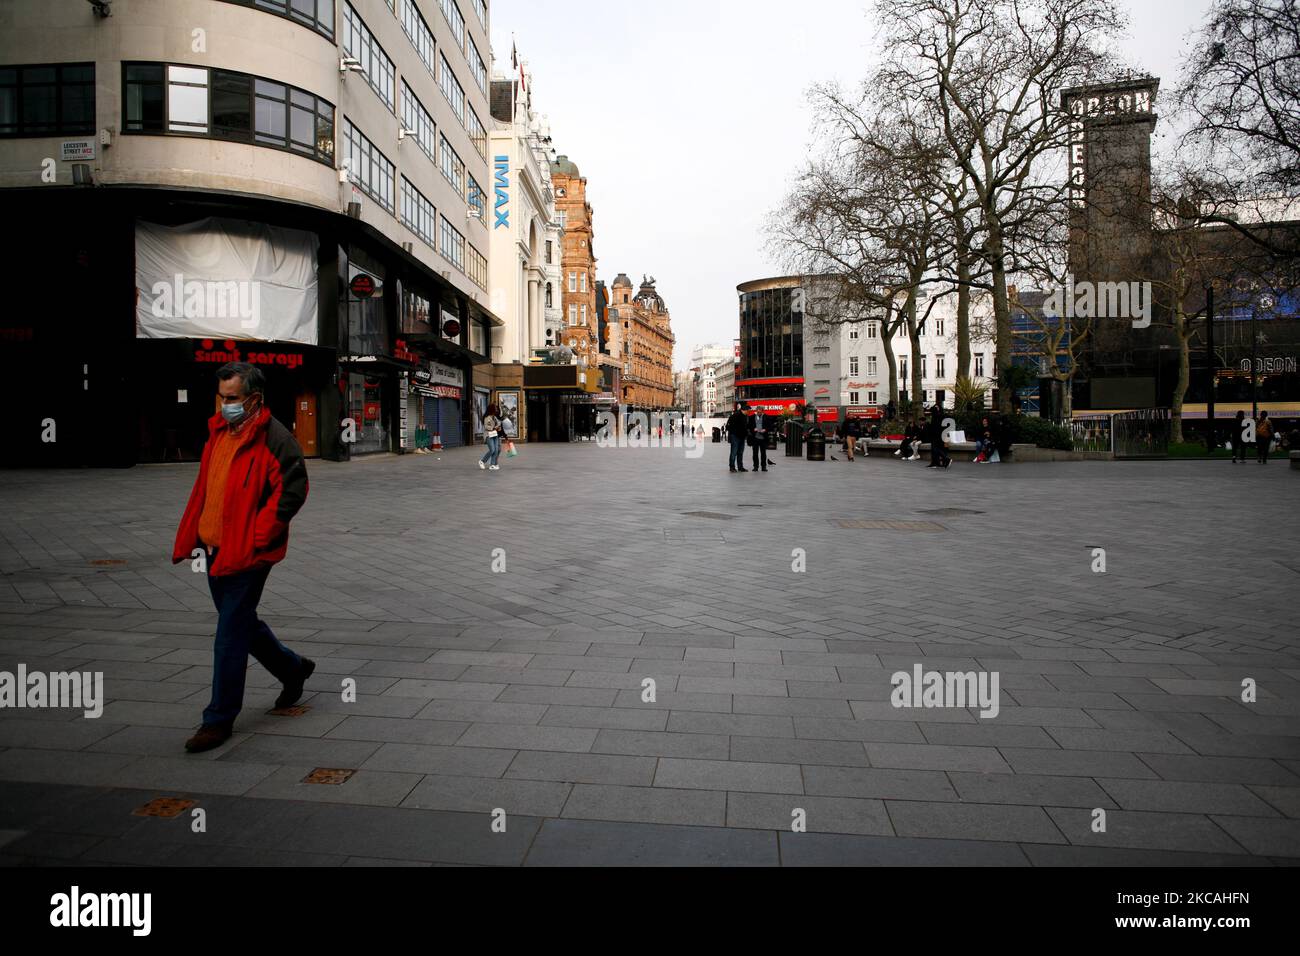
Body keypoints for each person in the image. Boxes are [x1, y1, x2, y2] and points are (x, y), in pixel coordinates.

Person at [171, 362, 313, 754]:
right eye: (221, 397)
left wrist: (256, 538)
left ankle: (217, 720)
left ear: (254, 399)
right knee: (241, 623)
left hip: (248, 553)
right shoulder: (218, 432)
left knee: (229, 633)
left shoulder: (275, 438)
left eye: (232, 398)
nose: (225, 405)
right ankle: (292, 668)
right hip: (216, 548)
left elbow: (292, 492)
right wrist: (197, 532)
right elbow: (207, 487)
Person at [480, 404, 505, 471]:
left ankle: (492, 465)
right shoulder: (487, 417)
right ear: (492, 409)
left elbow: (497, 424)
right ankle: (482, 461)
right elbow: (487, 427)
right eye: (495, 408)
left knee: (496, 450)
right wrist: (495, 428)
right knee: (492, 450)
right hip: (489, 435)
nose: (496, 410)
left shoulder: (494, 417)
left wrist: (498, 427)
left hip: (495, 434)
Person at [726, 403, 749, 472]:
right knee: (734, 452)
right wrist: (733, 433)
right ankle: (732, 467)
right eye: (748, 410)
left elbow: (745, 427)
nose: (748, 411)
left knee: (740, 453)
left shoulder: (745, 416)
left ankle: (740, 467)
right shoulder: (735, 415)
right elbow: (728, 426)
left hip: (741, 437)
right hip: (735, 437)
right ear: (744, 410)